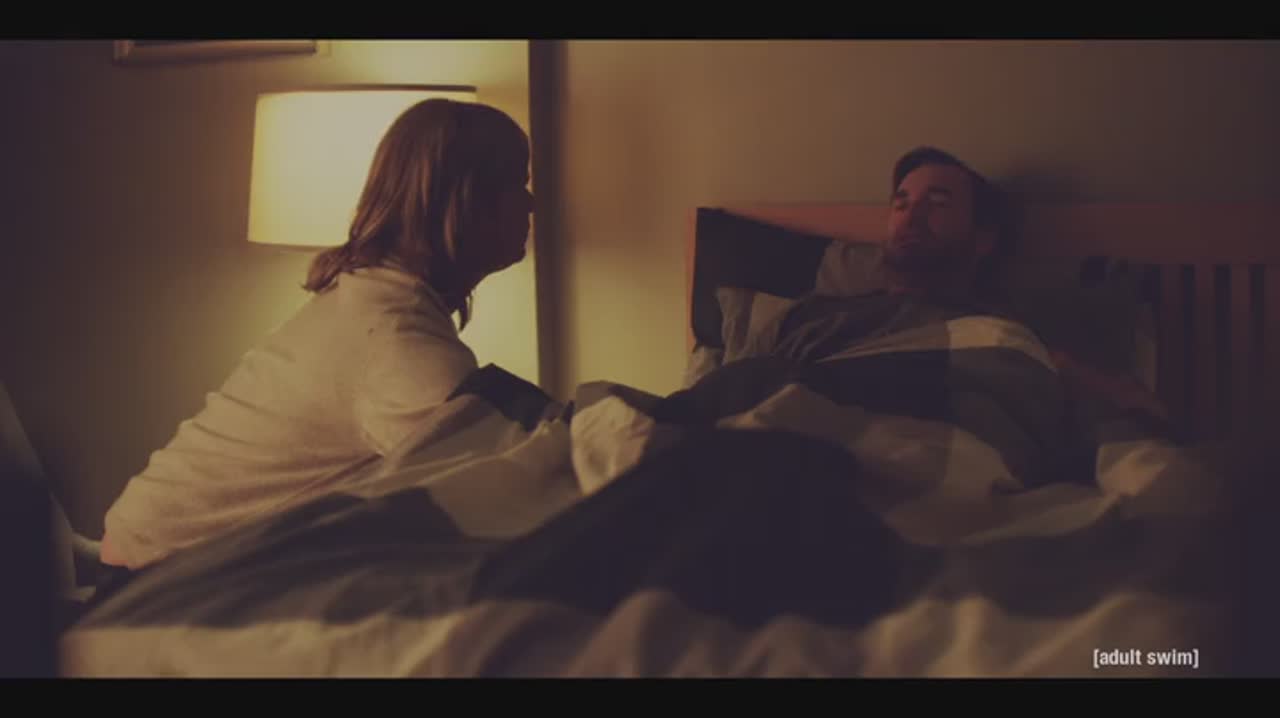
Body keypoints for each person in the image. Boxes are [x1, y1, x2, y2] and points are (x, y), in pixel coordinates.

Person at [99, 99, 534, 570]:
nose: (531, 202)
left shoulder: (371, 300)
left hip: (145, 552)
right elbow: (511, 485)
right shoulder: (396, 339)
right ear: (464, 202)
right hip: (159, 576)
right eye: (518, 182)